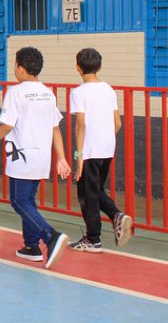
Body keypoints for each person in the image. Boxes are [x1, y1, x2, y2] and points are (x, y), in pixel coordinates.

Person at [0, 47, 72, 270]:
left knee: (18, 201)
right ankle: (31, 247)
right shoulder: (48, 92)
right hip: (42, 157)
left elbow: (8, 124)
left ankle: (50, 235)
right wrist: (62, 157)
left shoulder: (16, 92)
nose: (14, 69)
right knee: (28, 200)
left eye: (15, 64)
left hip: (22, 156)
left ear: (21, 68)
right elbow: (55, 129)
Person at [69, 48, 133, 252]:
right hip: (107, 148)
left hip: (88, 151)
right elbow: (117, 123)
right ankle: (116, 216)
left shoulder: (78, 93)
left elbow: (80, 126)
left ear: (77, 68)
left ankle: (93, 239)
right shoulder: (108, 89)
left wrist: (78, 157)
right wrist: (105, 138)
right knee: (95, 191)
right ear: (100, 66)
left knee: (87, 196)